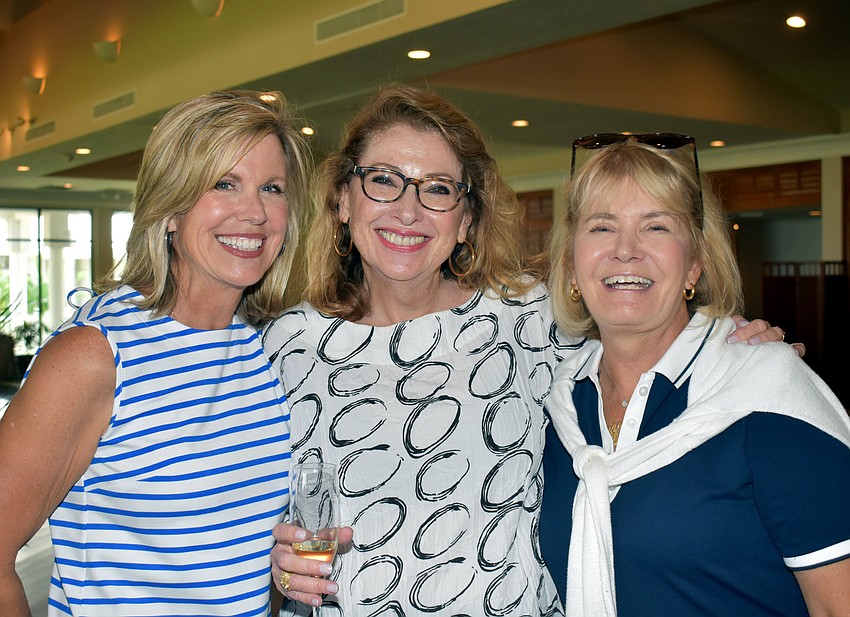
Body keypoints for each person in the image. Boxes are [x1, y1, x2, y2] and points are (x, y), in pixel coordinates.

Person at [262, 87, 784, 615]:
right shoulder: (288, 345)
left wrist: (735, 345)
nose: (408, 210)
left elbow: (651, 335)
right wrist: (279, 568)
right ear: (343, 200)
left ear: (466, 219)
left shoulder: (533, 320)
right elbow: (260, 525)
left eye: (438, 189)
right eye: (383, 181)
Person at [0, 89, 312, 616]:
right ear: (170, 208)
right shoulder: (95, 356)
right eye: (224, 184)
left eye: (272, 188)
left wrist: (284, 569)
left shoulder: (267, 350)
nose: (255, 212)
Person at [539, 132, 850, 617]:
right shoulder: (560, 408)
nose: (626, 250)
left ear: (696, 265)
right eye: (602, 227)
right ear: (572, 268)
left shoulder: (767, 398)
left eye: (656, 227)